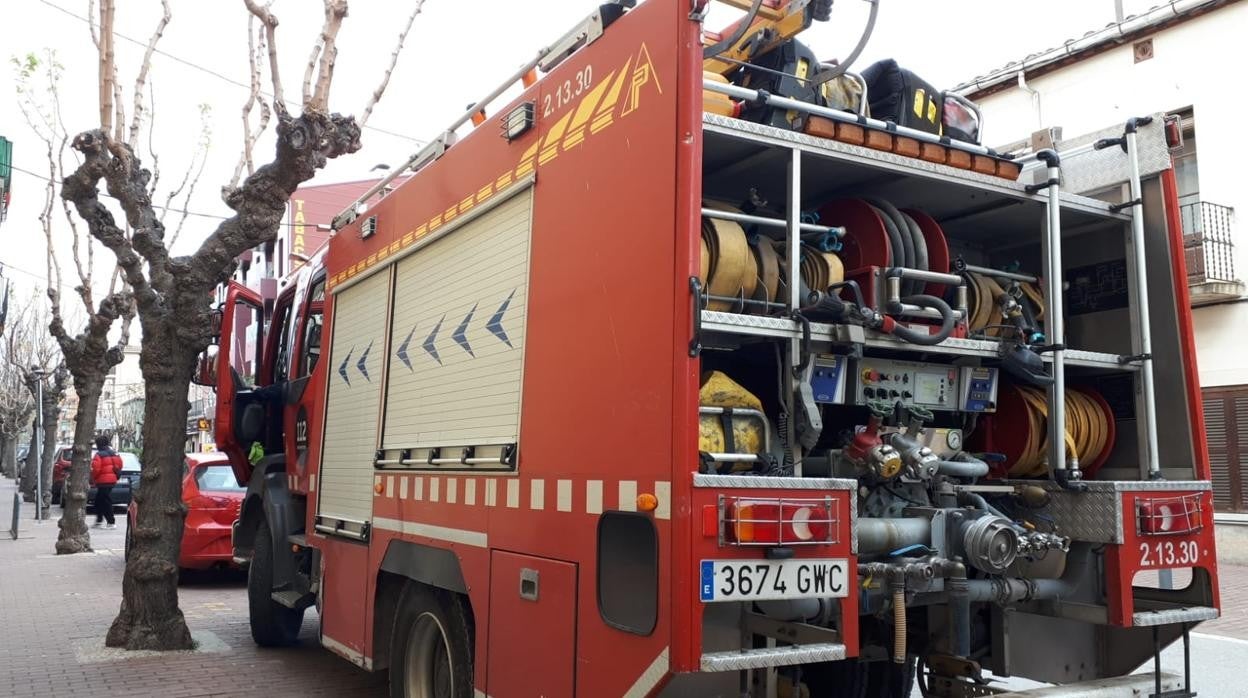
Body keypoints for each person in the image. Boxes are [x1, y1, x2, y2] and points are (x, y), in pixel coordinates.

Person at [90, 435, 123, 529]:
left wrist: (93, 478)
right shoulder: (115, 453)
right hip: (112, 480)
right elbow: (120, 465)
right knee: (99, 500)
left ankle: (110, 521)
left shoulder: (99, 455)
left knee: (104, 501)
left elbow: (96, 469)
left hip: (102, 481)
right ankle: (99, 520)